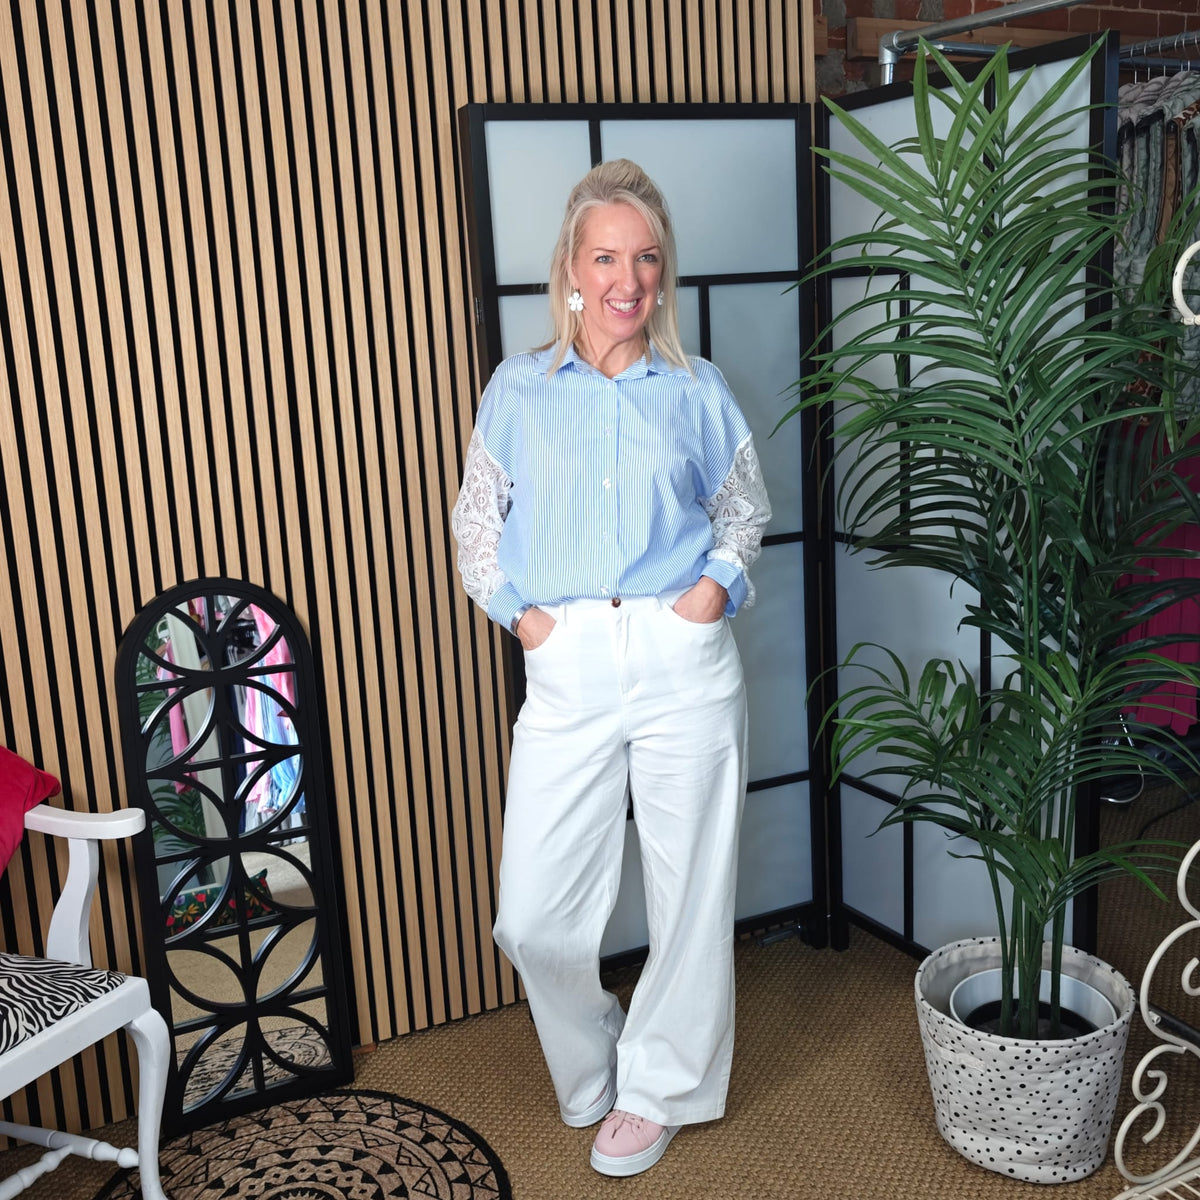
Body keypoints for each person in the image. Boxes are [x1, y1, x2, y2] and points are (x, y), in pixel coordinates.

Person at [451, 158, 771, 1178]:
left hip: (682, 658)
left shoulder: (696, 389)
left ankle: (662, 1087)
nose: (628, 278)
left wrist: (710, 593)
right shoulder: (517, 389)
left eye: (646, 259)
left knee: (690, 894)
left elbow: (745, 511)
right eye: (607, 257)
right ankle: (600, 1058)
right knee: (533, 914)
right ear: (572, 271)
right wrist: (527, 621)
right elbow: (475, 530)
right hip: (570, 665)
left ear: (659, 274)